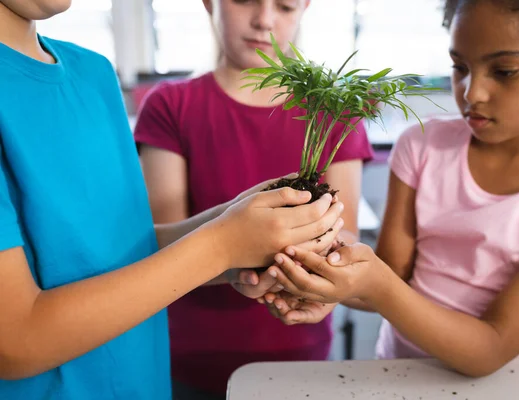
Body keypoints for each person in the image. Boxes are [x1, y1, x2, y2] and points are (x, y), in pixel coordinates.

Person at [0, 1, 345, 398]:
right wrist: (222, 244)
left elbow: (124, 251)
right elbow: (15, 341)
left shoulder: (93, 74)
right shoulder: (168, 102)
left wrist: (232, 235)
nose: (265, 17)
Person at [265, 0, 519, 377]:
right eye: (460, 67)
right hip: (397, 374)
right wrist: (321, 284)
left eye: (504, 72)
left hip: (506, 386)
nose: (473, 93)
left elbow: (489, 350)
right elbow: (392, 277)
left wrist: (375, 285)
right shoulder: (422, 146)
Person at [134, 0, 374, 397]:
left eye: (284, 6)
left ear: (304, 9)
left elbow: (345, 236)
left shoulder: (335, 110)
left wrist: (314, 273)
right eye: (245, 0)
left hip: (301, 354)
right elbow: (162, 244)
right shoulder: (170, 106)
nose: (264, 19)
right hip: (190, 356)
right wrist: (242, 260)